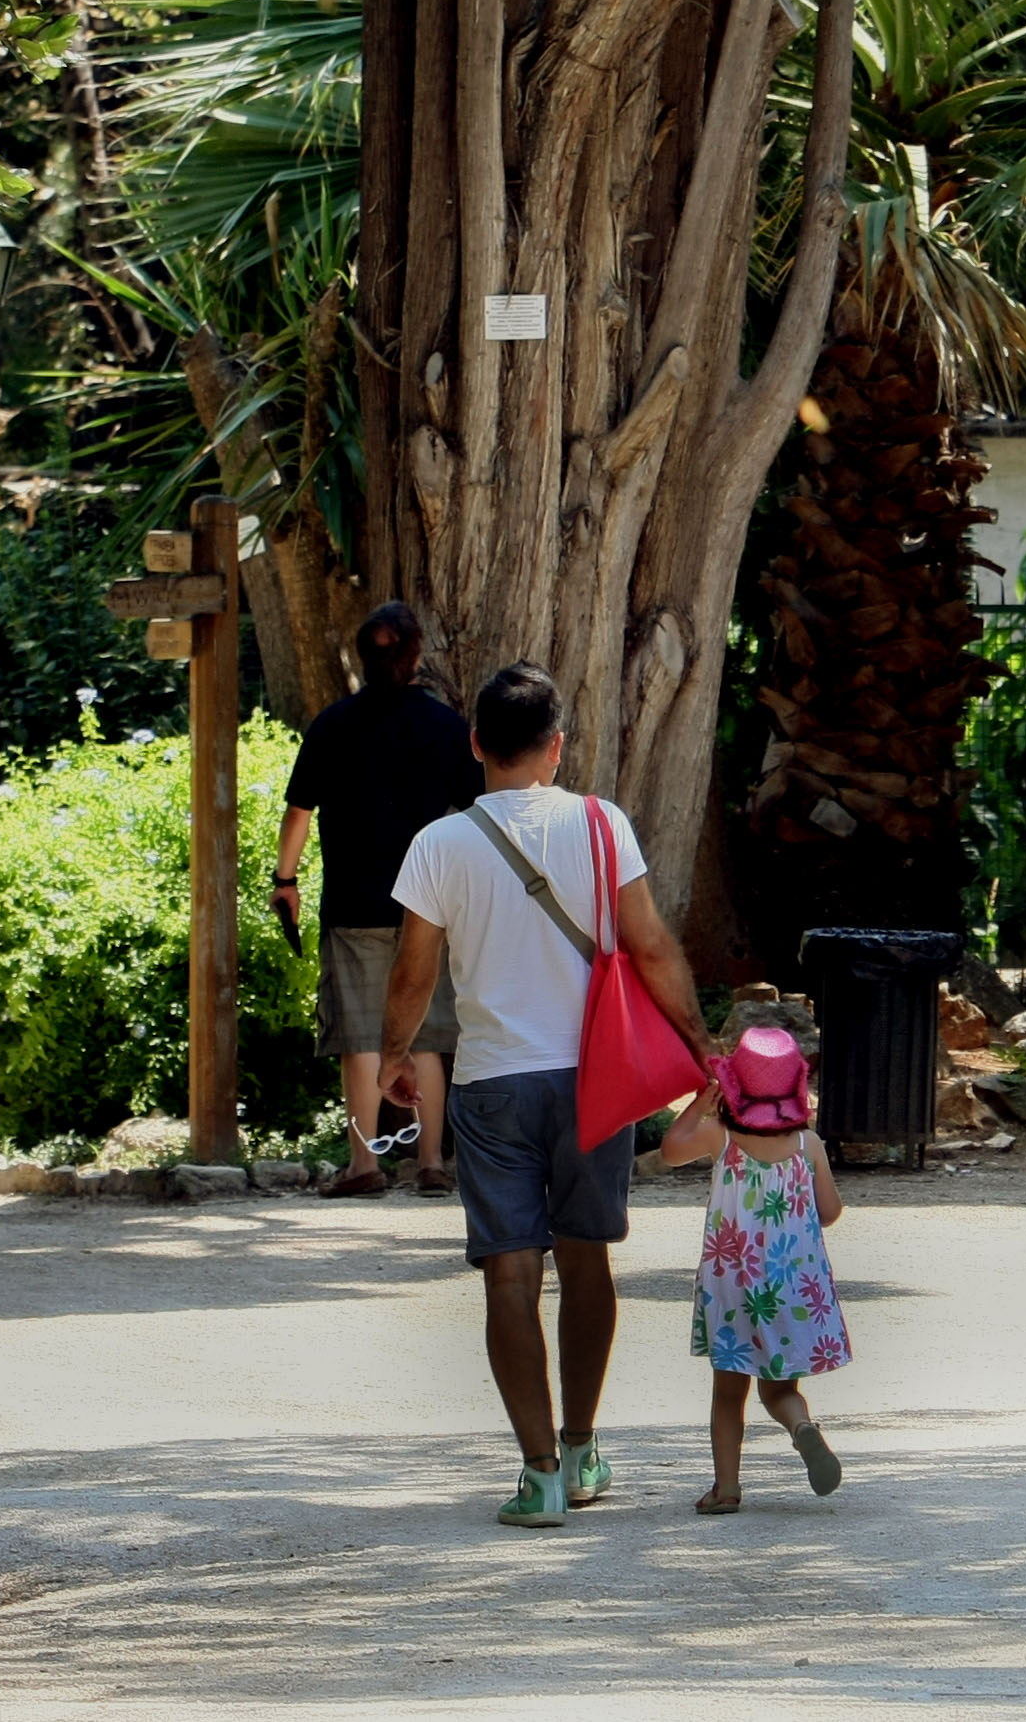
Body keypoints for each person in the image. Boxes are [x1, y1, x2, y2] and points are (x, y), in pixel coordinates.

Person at [380, 660, 716, 1529]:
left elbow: (414, 973)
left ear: (477, 745)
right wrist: (699, 1043)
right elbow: (648, 947)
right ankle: (581, 1445)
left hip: (492, 1083)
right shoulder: (602, 826)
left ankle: (537, 1477)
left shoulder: (439, 844)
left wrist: (396, 1057)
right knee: (586, 1258)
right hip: (596, 1076)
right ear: (556, 747)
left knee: (509, 1271)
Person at [275, 603, 477, 1198]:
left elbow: (298, 815)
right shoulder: (446, 728)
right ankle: (433, 1162)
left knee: (361, 1038)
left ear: (362, 657)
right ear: (415, 657)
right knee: (431, 1036)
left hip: (354, 903)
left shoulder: (332, 724)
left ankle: (365, 1164)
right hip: (430, 905)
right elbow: (475, 815)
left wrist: (285, 881)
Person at [655, 1025, 850, 1515]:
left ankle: (727, 1488)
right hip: (792, 1285)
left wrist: (702, 1100)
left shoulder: (722, 1137)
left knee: (728, 1390)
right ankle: (802, 1427)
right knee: (780, 1388)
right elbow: (829, 1211)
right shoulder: (808, 1146)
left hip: (732, 1284)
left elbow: (670, 1151)